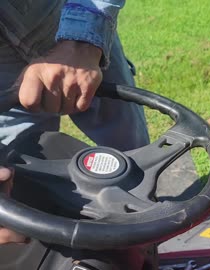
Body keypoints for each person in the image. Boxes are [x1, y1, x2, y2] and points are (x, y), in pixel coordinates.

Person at [0, 0, 150, 244]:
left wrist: (84, 41)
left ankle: (145, 236)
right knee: (20, 190)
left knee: (135, 158)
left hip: (64, 15)